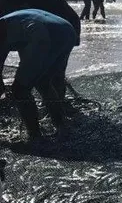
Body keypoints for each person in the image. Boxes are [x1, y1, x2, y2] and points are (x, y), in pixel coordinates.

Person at [0, 9, 77, 139]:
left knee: (19, 90)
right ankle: (61, 126)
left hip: (42, 32)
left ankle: (35, 136)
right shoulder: (8, 21)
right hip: (67, 30)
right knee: (43, 81)